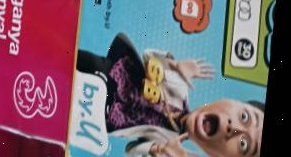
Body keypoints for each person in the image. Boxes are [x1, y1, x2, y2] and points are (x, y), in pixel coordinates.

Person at [77, 33, 265, 157]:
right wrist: (174, 66)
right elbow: (148, 56)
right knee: (84, 62)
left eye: (243, 144)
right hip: (116, 73)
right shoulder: (180, 88)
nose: (234, 129)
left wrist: (159, 150)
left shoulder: (170, 145)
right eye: (244, 117)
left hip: (101, 116)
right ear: (231, 101)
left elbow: (131, 150)